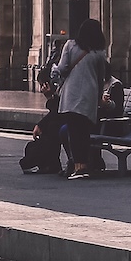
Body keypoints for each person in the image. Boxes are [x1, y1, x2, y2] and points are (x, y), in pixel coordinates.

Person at [52, 19, 111, 181]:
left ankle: (78, 166)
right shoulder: (99, 52)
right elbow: (101, 77)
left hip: (72, 94)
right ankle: (83, 165)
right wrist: (99, 95)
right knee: (84, 132)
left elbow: (63, 68)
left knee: (74, 131)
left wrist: (55, 69)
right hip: (89, 95)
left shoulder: (70, 45)